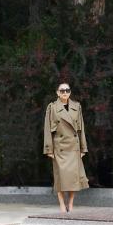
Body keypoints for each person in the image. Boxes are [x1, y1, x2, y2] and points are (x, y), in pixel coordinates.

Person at [43, 82, 89, 212]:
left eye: (67, 90)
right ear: (57, 92)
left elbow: (81, 129)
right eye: (62, 90)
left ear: (70, 92)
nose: (64, 93)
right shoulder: (52, 107)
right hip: (59, 148)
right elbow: (47, 129)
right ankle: (62, 204)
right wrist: (48, 149)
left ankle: (71, 204)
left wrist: (83, 148)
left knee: (73, 180)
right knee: (60, 178)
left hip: (74, 148)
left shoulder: (77, 106)